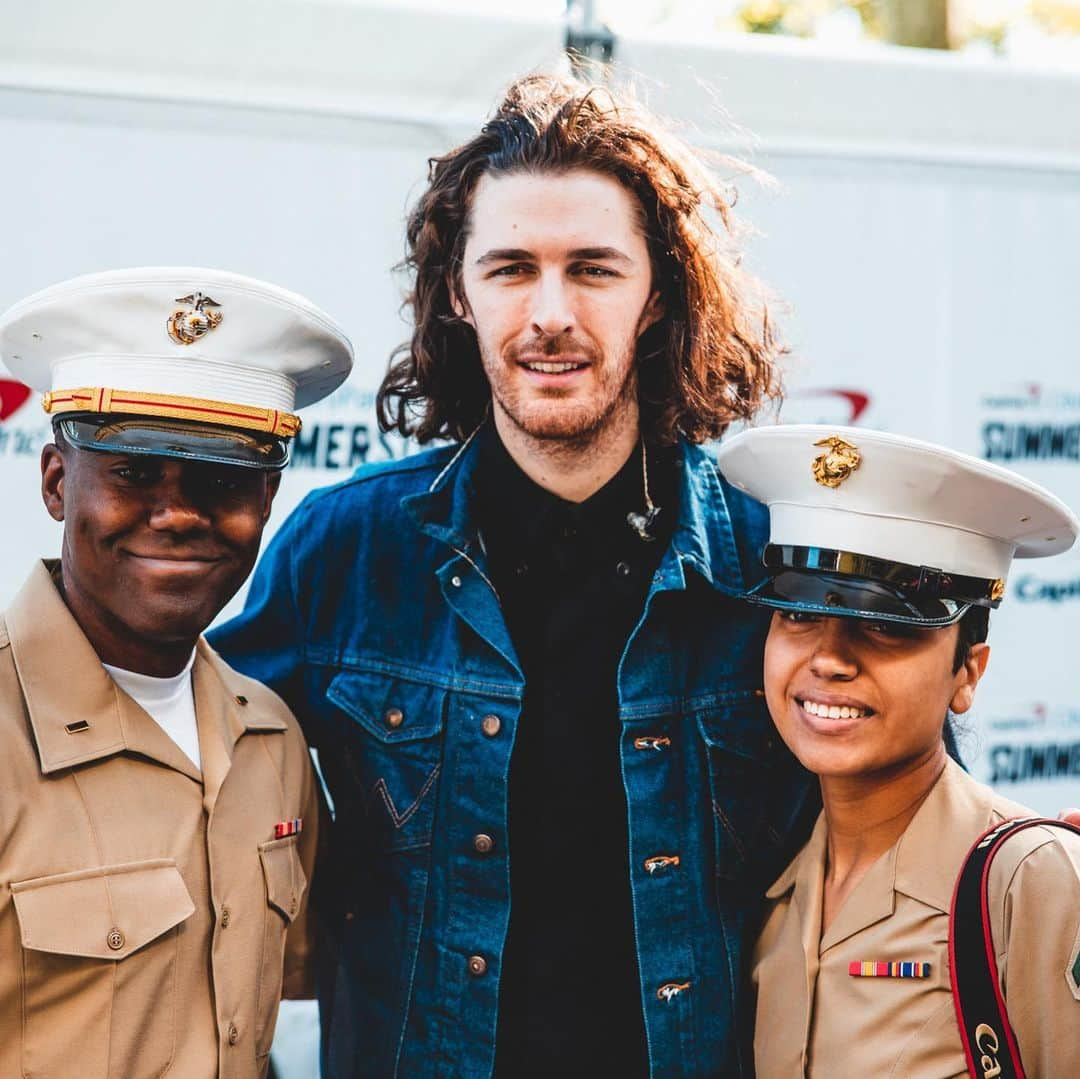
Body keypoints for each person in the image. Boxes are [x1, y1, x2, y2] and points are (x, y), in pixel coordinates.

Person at [209, 73, 815, 1077]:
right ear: (459, 290)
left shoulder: (768, 562)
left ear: (658, 288)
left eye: (592, 269)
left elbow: (916, 849)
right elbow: (185, 795)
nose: (549, 313)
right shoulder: (348, 549)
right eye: (510, 268)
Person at [0, 266, 352, 1079]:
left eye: (222, 480)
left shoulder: (269, 739)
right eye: (132, 473)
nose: (179, 513)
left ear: (267, 499)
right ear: (57, 481)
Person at [715, 424, 1080, 1076]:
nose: (828, 659)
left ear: (967, 671)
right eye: (797, 614)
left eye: (886, 626)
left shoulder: (1032, 880)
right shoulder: (772, 895)